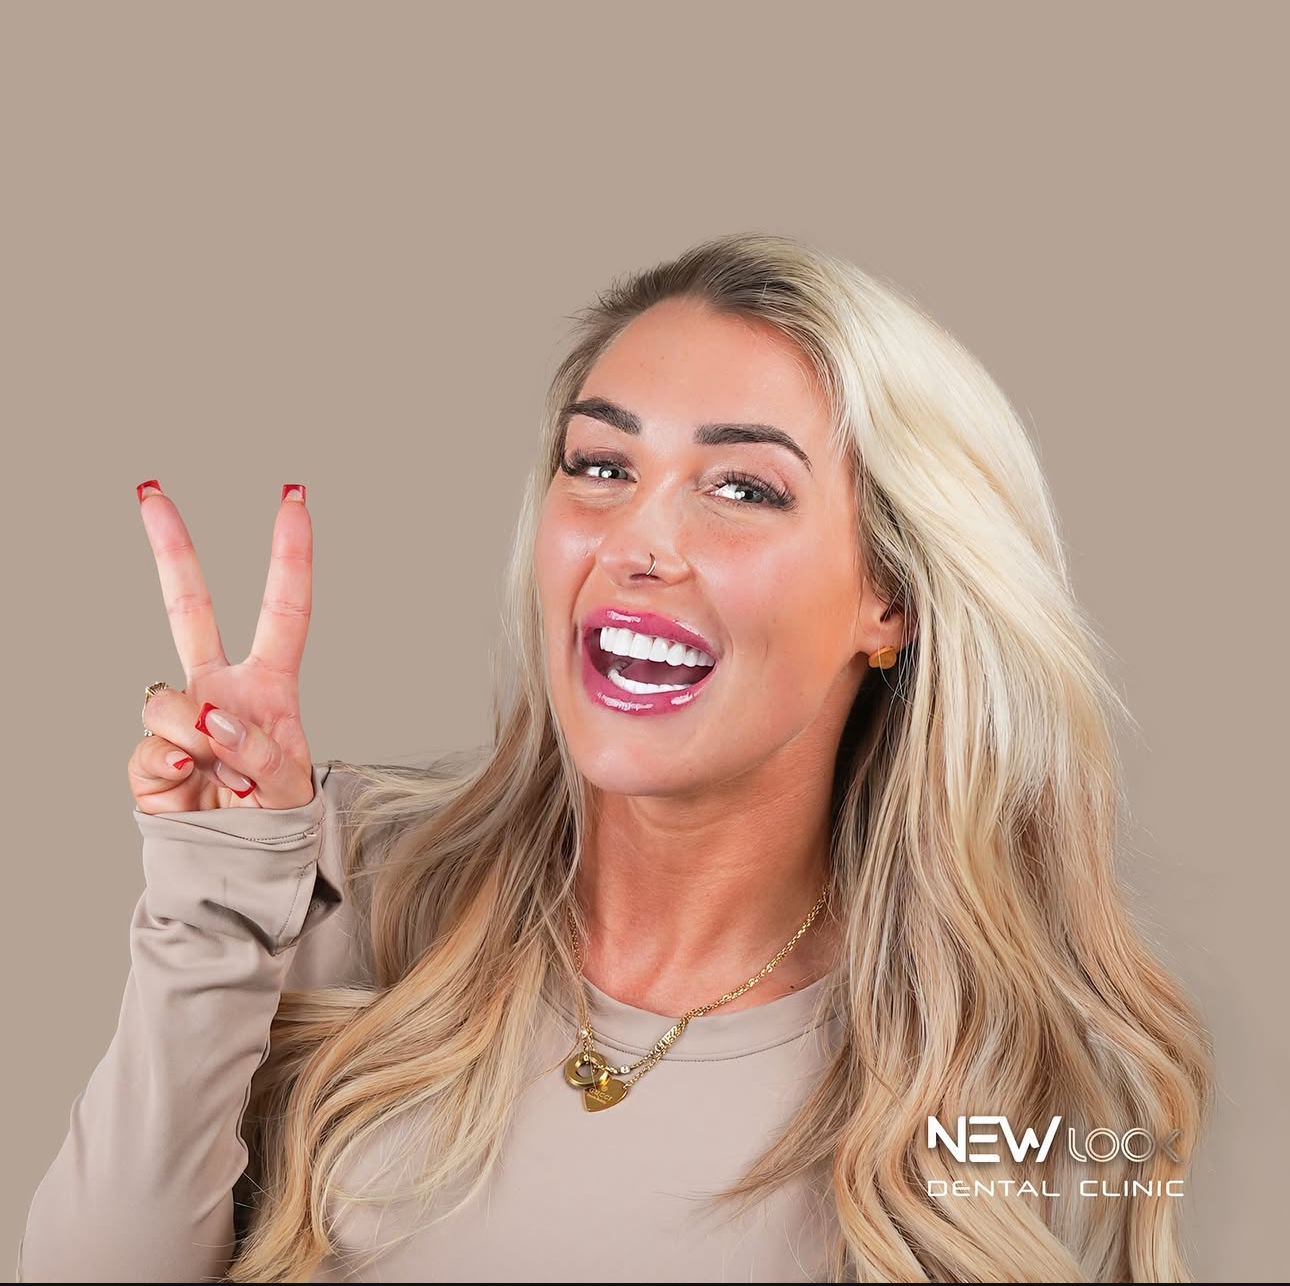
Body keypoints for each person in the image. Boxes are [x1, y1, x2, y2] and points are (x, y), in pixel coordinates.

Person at [19, 232, 1213, 1283]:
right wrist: (220, 882)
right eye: (600, 466)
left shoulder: (1011, 1072)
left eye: (743, 486)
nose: (637, 538)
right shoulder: (343, 880)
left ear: (889, 598)